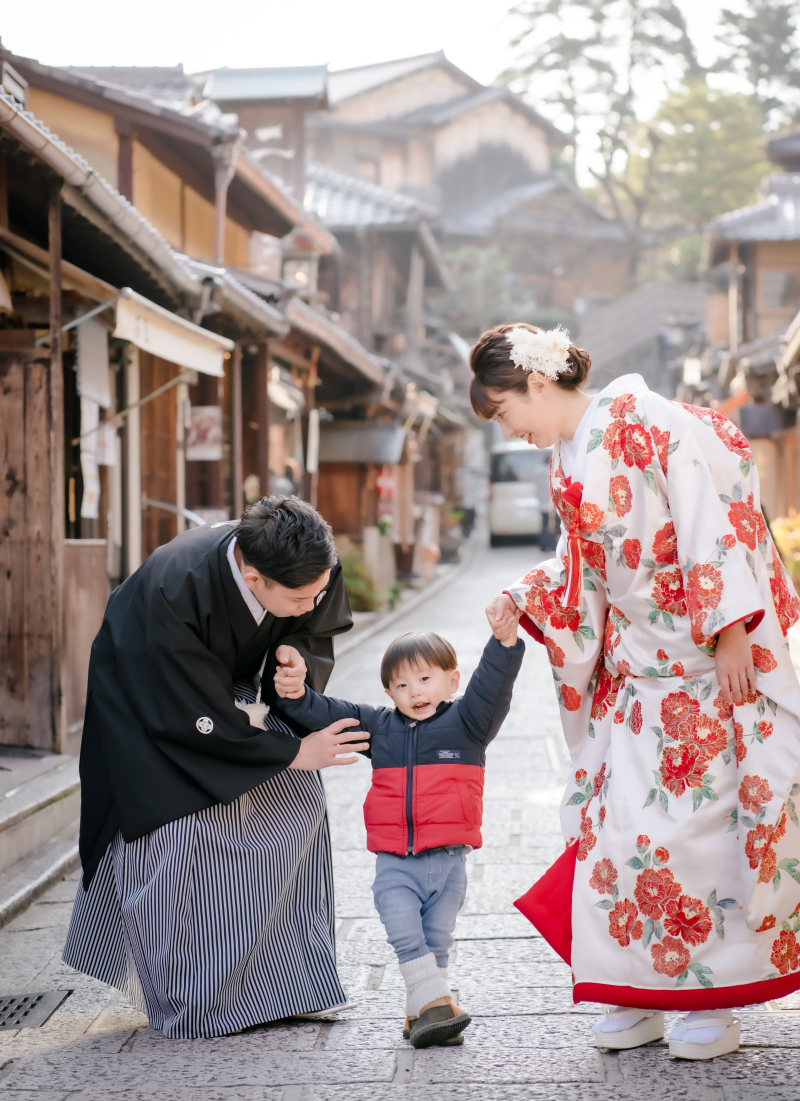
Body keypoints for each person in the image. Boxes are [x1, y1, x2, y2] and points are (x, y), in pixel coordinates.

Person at [474, 322, 800, 1061]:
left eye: (502, 410)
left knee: (699, 840)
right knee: (621, 837)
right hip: (634, 671)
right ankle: (636, 991)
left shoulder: (644, 418)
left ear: (536, 382)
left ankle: (711, 1001)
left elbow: (708, 519)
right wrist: (527, 595)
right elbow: (579, 569)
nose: (509, 429)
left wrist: (735, 630)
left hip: (704, 659)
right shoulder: (565, 458)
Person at [63, 496, 370, 1039]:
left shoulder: (306, 562)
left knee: (297, 807)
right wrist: (294, 752)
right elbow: (185, 713)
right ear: (252, 577)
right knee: (184, 836)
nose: (311, 601)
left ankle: (289, 984)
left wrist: (299, 653)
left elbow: (314, 621)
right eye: (299, 598)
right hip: (150, 701)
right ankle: (198, 1000)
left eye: (317, 591)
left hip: (231, 693)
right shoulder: (173, 587)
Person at [273, 614, 525, 1048]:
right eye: (402, 685)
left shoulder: (469, 724)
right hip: (395, 861)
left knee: (437, 940)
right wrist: (296, 695)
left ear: (451, 680)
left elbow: (492, 686)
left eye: (425, 678)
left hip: (448, 862)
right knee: (405, 932)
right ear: (389, 693)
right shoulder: (380, 726)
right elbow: (328, 711)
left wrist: (504, 644)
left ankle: (424, 1016)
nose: (415, 692)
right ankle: (437, 1005)